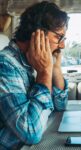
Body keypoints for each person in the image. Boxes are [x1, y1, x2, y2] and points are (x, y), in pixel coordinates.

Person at [0, 1, 69, 150]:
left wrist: (55, 68)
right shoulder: (5, 65)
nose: (62, 45)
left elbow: (61, 105)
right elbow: (31, 131)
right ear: (38, 33)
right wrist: (44, 73)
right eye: (59, 37)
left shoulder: (33, 61)